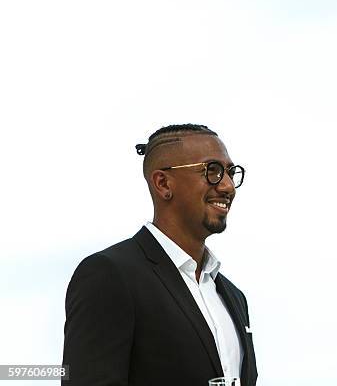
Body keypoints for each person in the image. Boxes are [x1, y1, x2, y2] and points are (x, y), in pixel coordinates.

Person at [62, 124, 257, 386]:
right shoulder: (110, 275)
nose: (228, 186)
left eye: (231, 173)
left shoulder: (234, 297)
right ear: (163, 183)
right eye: (212, 171)